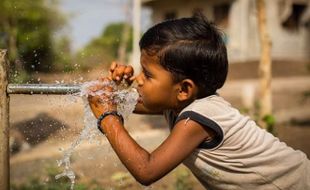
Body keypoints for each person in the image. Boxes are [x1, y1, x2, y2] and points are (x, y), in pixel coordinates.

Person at [88, 14, 310, 190]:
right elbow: (126, 103)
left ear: (184, 89)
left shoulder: (199, 117)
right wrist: (117, 88)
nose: (138, 79)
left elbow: (146, 171)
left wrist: (108, 118)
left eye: (147, 74)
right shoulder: (179, 103)